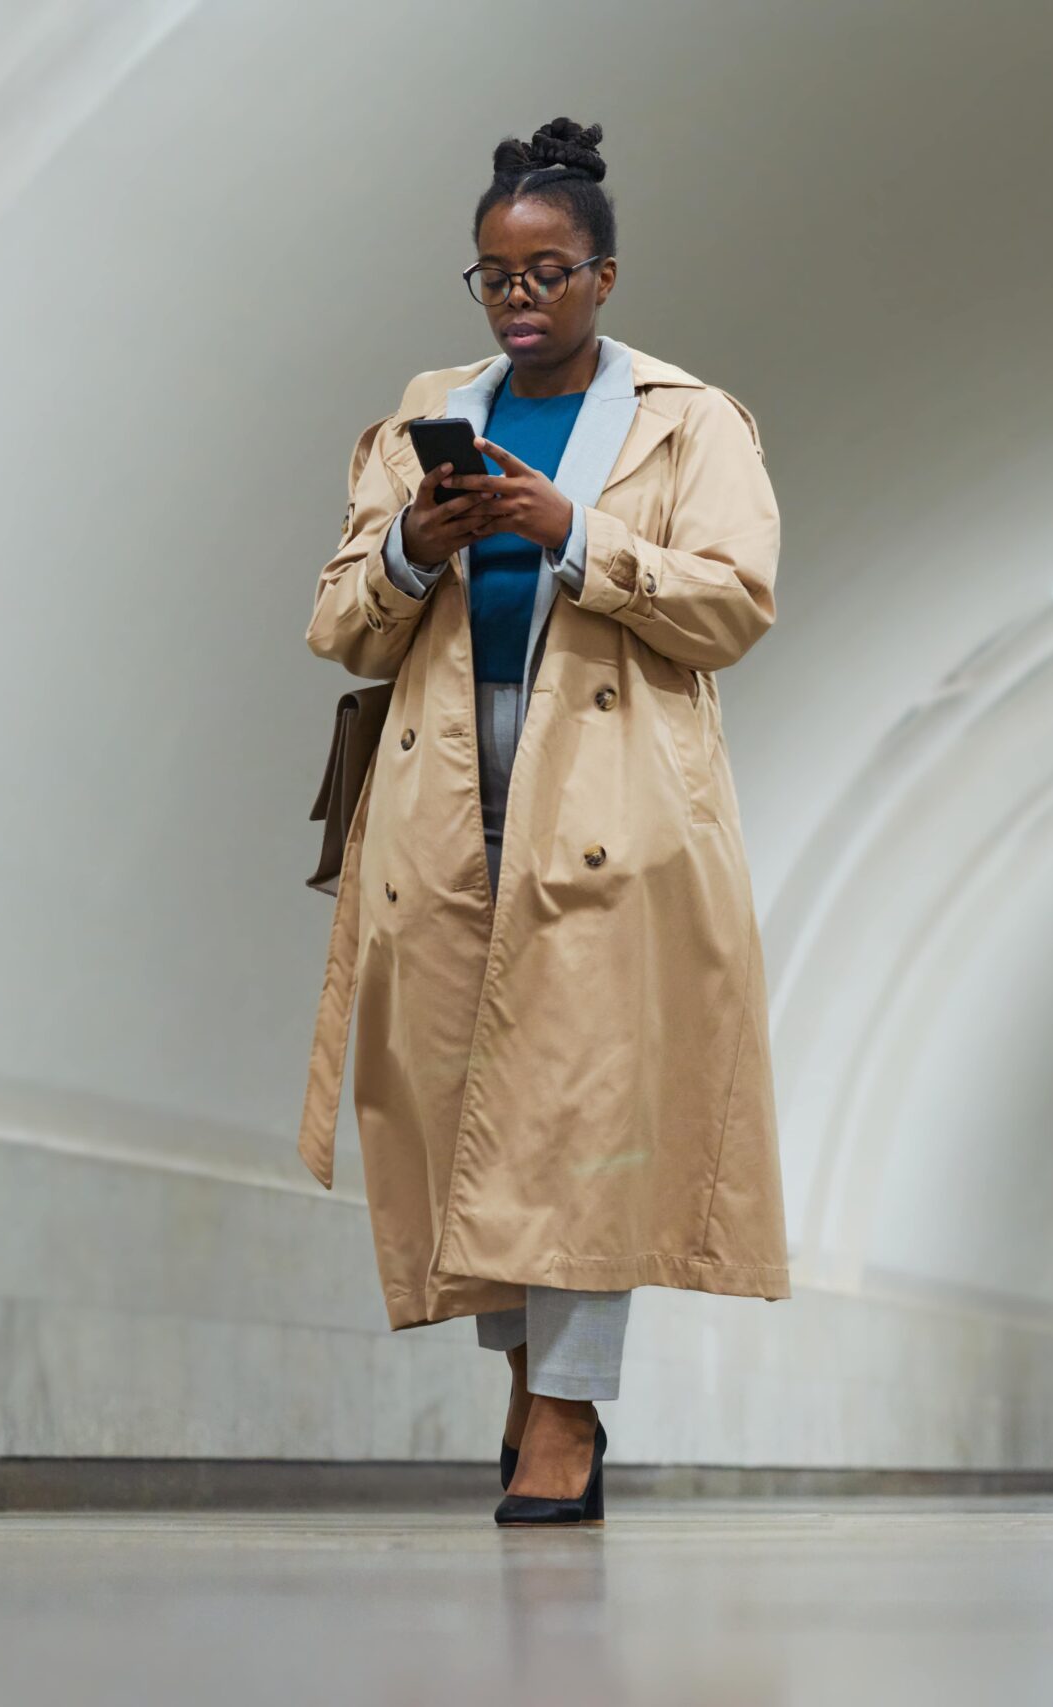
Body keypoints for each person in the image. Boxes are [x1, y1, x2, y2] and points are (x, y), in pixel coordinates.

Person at [299, 116, 788, 1526]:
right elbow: (339, 622)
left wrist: (572, 533)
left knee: (584, 1114)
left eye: (547, 273)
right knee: (471, 1110)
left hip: (612, 802)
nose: (519, 300)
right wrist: (414, 548)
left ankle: (568, 1414)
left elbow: (733, 606)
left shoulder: (691, 420)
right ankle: (526, 1381)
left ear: (603, 278)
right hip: (446, 799)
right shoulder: (424, 415)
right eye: (496, 277)